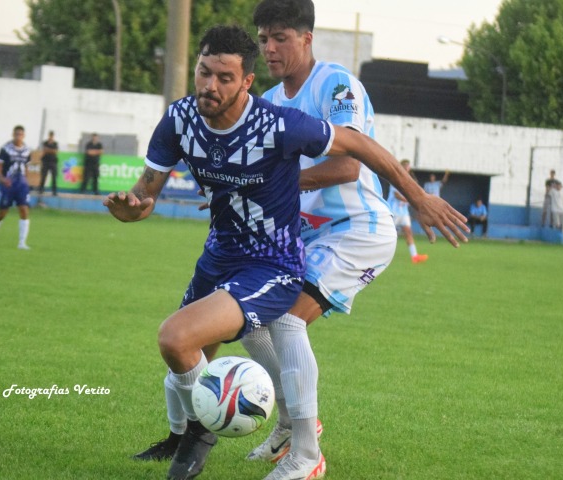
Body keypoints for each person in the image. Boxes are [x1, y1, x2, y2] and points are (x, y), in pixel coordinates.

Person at [108, 25, 468, 480]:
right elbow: (146, 193)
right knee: (196, 347)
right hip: (220, 253)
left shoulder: (278, 120)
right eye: (203, 72)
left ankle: (291, 445)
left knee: (200, 333)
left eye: (223, 77)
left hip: (277, 259)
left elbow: (355, 149)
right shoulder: (179, 118)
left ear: (245, 82)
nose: (209, 85)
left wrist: (416, 197)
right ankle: (190, 434)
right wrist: (132, 210)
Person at [0, 125, 32, 249]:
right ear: (13, 135)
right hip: (8, 184)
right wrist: (2, 179)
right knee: (3, 212)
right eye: (16, 134)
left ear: (24, 135)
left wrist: (26, 181)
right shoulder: (6, 149)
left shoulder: (27, 150)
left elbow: (27, 167)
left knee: (24, 210)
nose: (18, 136)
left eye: (21, 134)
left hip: (21, 184)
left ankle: (22, 242)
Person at [386, 159, 429, 263]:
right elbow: (396, 194)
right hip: (394, 211)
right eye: (405, 166)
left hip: (403, 211)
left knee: (409, 232)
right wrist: (409, 199)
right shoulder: (396, 178)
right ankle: (380, 255)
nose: (407, 169)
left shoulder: (409, 180)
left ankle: (414, 256)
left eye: (408, 167)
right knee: (388, 234)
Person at [38, 130, 59, 197]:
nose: (51, 137)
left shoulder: (55, 143)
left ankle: (54, 191)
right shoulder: (45, 143)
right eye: (50, 135)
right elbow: (44, 150)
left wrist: (48, 150)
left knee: (54, 177)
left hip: (53, 162)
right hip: (46, 161)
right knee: (43, 176)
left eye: (52, 135)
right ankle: (41, 190)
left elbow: (55, 151)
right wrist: (51, 150)